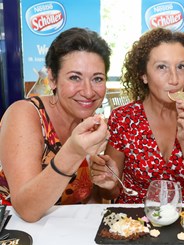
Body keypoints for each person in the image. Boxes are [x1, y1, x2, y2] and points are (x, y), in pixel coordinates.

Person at [0, 27, 116, 222]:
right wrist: (73, 152)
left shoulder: (92, 123)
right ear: (52, 78)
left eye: (97, 78)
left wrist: (107, 183)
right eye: (74, 77)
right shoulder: (25, 114)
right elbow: (27, 209)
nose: (88, 92)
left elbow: (91, 201)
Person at [90, 27, 184, 203]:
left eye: (181, 66)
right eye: (162, 67)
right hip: (132, 222)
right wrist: (109, 184)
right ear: (143, 75)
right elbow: (109, 194)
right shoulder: (123, 119)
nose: (174, 79)